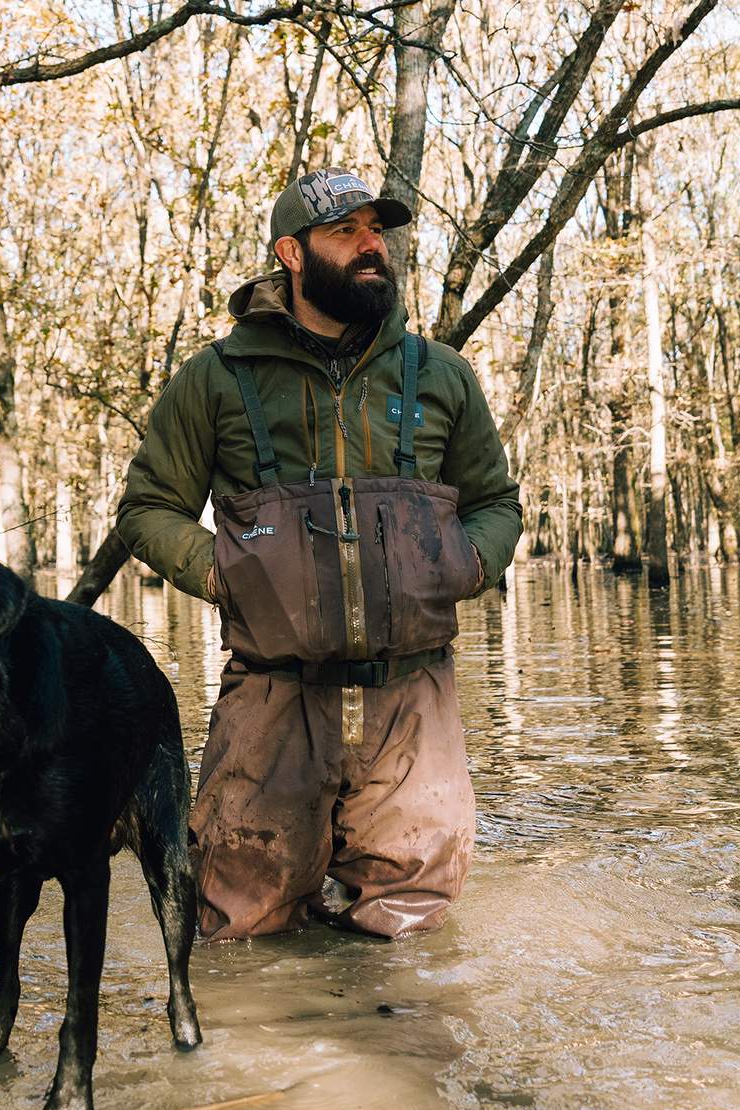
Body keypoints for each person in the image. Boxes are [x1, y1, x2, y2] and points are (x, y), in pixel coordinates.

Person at [117, 167, 522, 941]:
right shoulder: (217, 379)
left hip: (413, 707)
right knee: (241, 931)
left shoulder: (442, 376)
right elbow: (148, 509)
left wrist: (464, 564)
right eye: (347, 232)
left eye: (378, 230)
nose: (373, 246)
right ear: (291, 254)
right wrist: (222, 574)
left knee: (411, 941)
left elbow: (497, 504)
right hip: (272, 703)